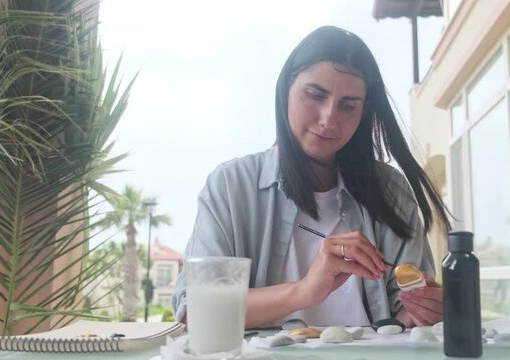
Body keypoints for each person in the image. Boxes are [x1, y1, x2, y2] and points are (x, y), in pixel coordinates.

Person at [172, 25, 451, 328]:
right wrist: (304, 291)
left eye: (348, 106)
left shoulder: (391, 191)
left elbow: (406, 317)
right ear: (286, 91)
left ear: (363, 112)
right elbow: (196, 312)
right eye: (315, 95)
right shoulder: (231, 186)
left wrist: (424, 311)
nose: (329, 119)